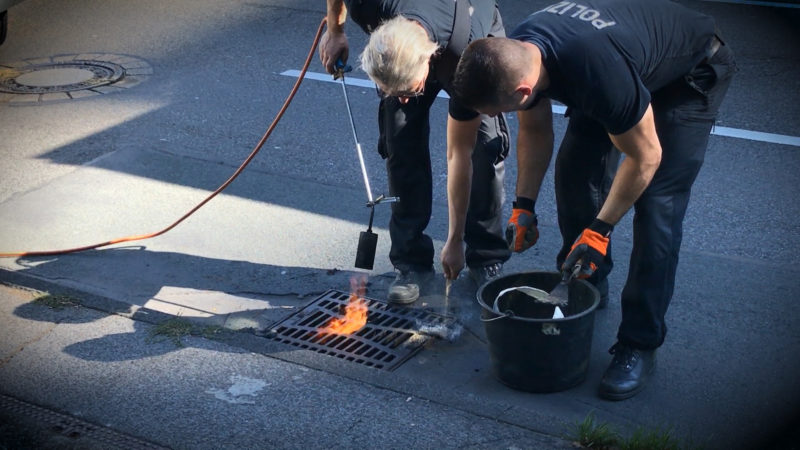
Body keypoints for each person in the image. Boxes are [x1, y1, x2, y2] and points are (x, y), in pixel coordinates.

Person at [451, 0, 736, 400]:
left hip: (689, 73)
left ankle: (639, 343)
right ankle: (586, 280)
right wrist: (524, 205)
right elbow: (534, 131)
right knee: (575, 169)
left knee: (657, 206)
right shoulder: (518, 54)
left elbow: (646, 155)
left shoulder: (598, 76)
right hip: (621, 60)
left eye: (500, 111)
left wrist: (600, 230)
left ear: (522, 90)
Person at [320, 0, 512, 304]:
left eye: (410, 91)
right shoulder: (368, 6)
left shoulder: (465, 54)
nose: (406, 100)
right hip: (410, 42)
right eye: (394, 91)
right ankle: (411, 263)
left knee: (484, 150)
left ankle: (486, 256)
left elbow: (458, 153)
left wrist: (455, 239)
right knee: (399, 139)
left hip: (470, 27)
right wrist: (335, 30)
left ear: (428, 59)